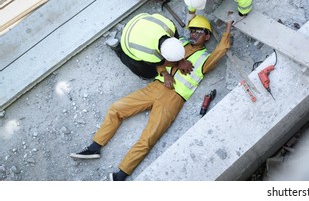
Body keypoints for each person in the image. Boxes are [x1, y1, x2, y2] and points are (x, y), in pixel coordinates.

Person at [70, 15, 233, 181]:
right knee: (117, 108)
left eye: (199, 31)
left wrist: (227, 28)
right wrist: (165, 75)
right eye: (192, 30)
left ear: (207, 36)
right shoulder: (179, 44)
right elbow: (160, 60)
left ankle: (121, 175)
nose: (193, 34)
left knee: (148, 138)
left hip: (173, 99)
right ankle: (95, 147)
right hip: (156, 86)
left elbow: (221, 49)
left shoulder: (205, 58)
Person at [115, 12, 192, 79]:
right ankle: (117, 48)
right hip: (126, 39)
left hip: (138, 20)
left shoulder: (170, 27)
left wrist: (182, 61)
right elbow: (162, 64)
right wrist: (166, 73)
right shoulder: (151, 55)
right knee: (149, 73)